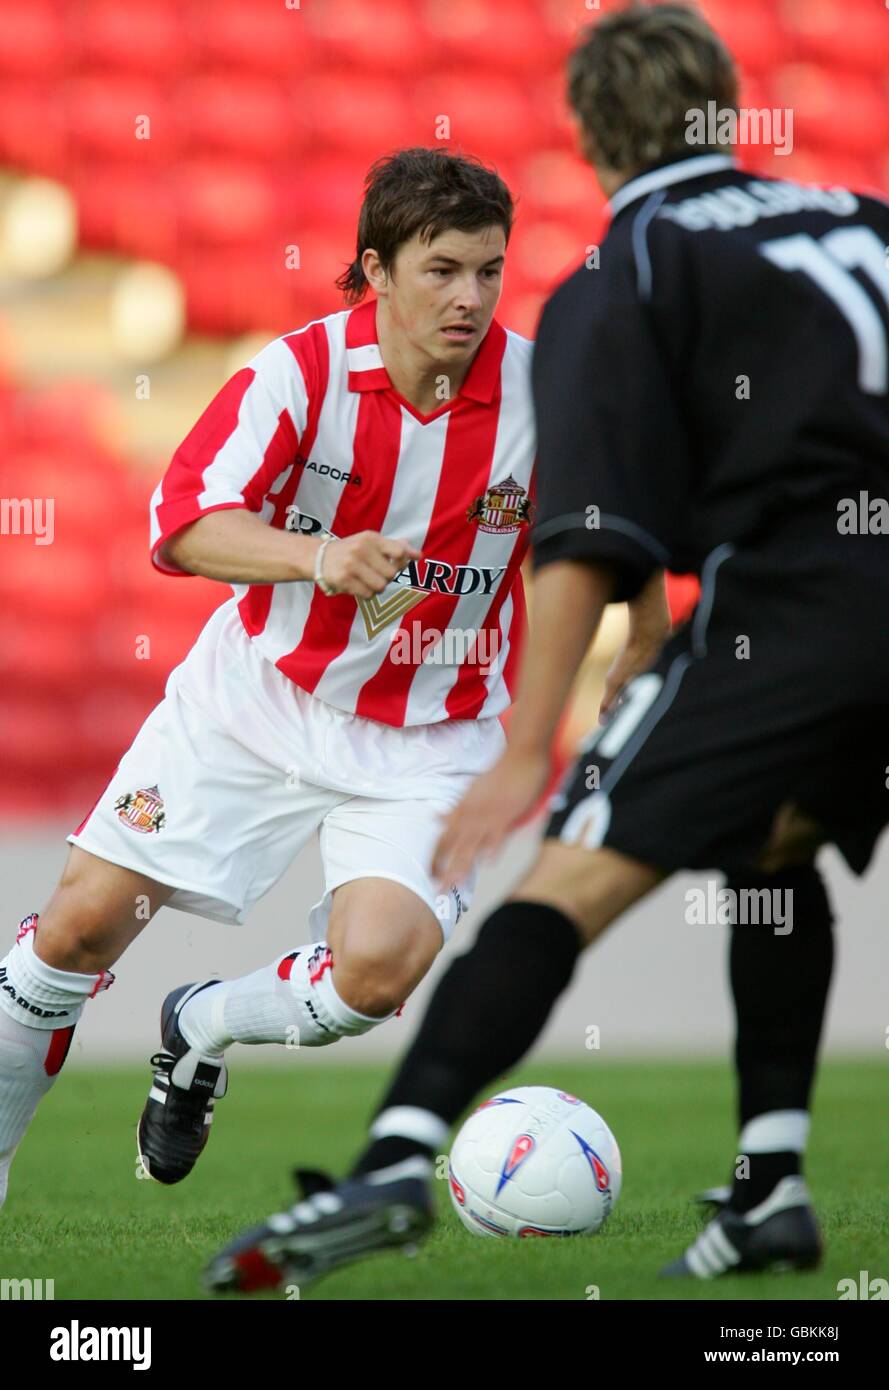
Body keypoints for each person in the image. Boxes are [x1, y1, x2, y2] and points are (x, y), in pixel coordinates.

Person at [207, 4, 889, 1292]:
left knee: (558, 888)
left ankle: (398, 1155)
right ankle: (770, 1181)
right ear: (729, 108)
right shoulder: (862, 221)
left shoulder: (627, 269)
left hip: (805, 609)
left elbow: (588, 531)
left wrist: (528, 750)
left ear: (590, 136)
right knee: (775, 842)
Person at [0, 148, 537, 1209]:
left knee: (374, 975)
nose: (469, 296)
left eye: (487, 269)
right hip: (259, 699)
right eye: (441, 270)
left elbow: (606, 533)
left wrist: (646, 639)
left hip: (431, 731)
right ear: (375, 270)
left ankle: (199, 1025)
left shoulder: (542, 395)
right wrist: (317, 556)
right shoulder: (298, 373)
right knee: (76, 930)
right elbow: (186, 522)